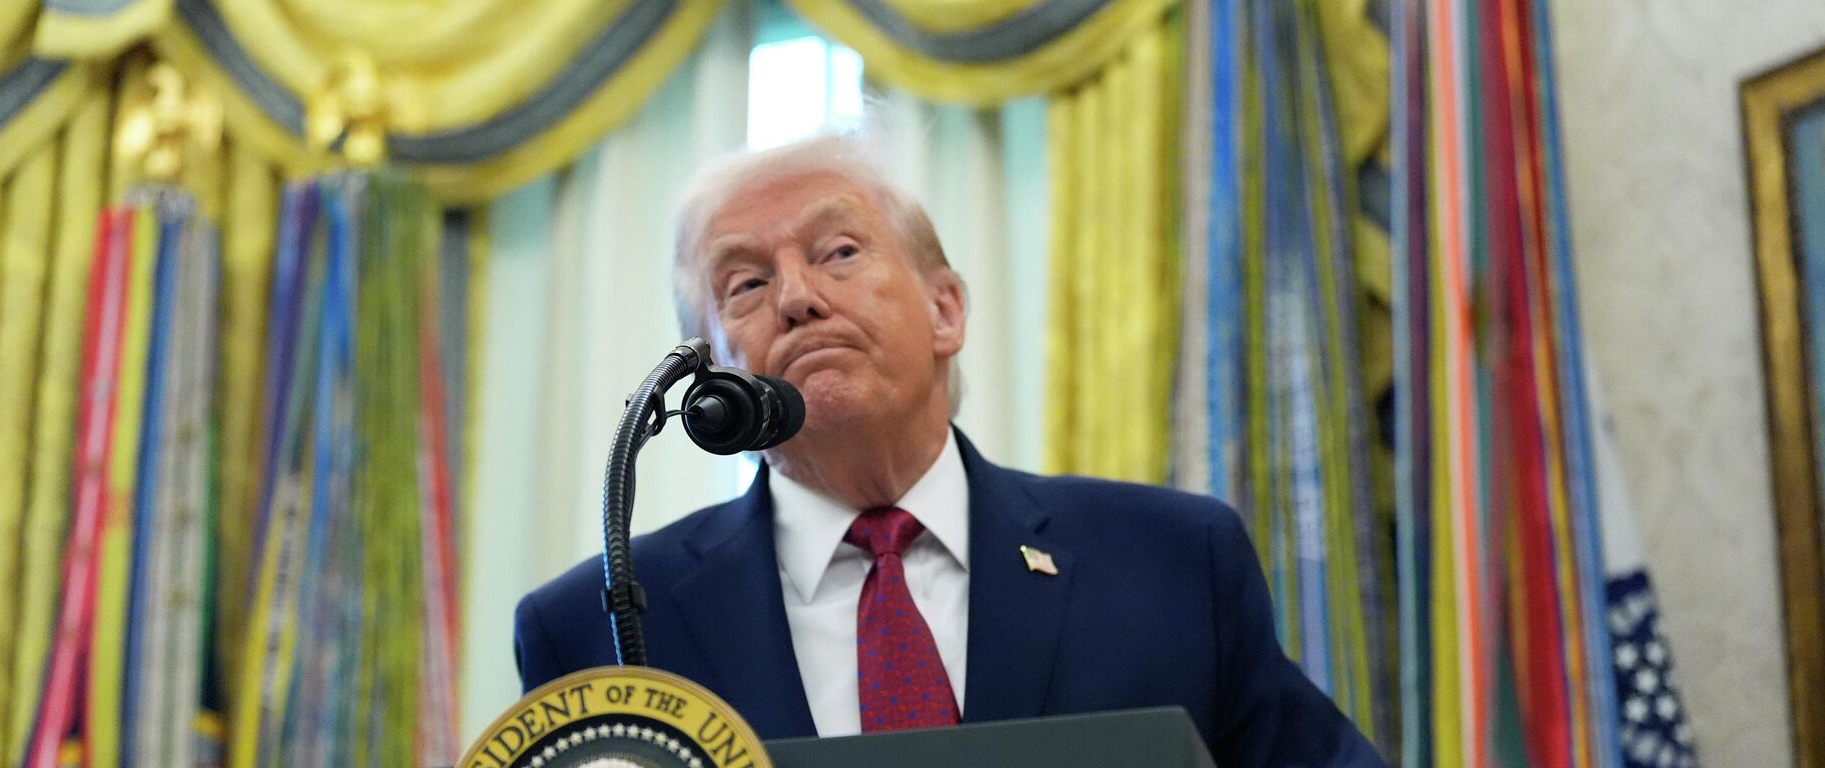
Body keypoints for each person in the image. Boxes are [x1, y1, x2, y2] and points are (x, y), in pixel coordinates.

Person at [513, 134, 1385, 767]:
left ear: (946, 311)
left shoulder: (1172, 562)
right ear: (709, 377)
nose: (797, 297)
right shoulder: (597, 626)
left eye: (839, 251)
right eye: (744, 283)